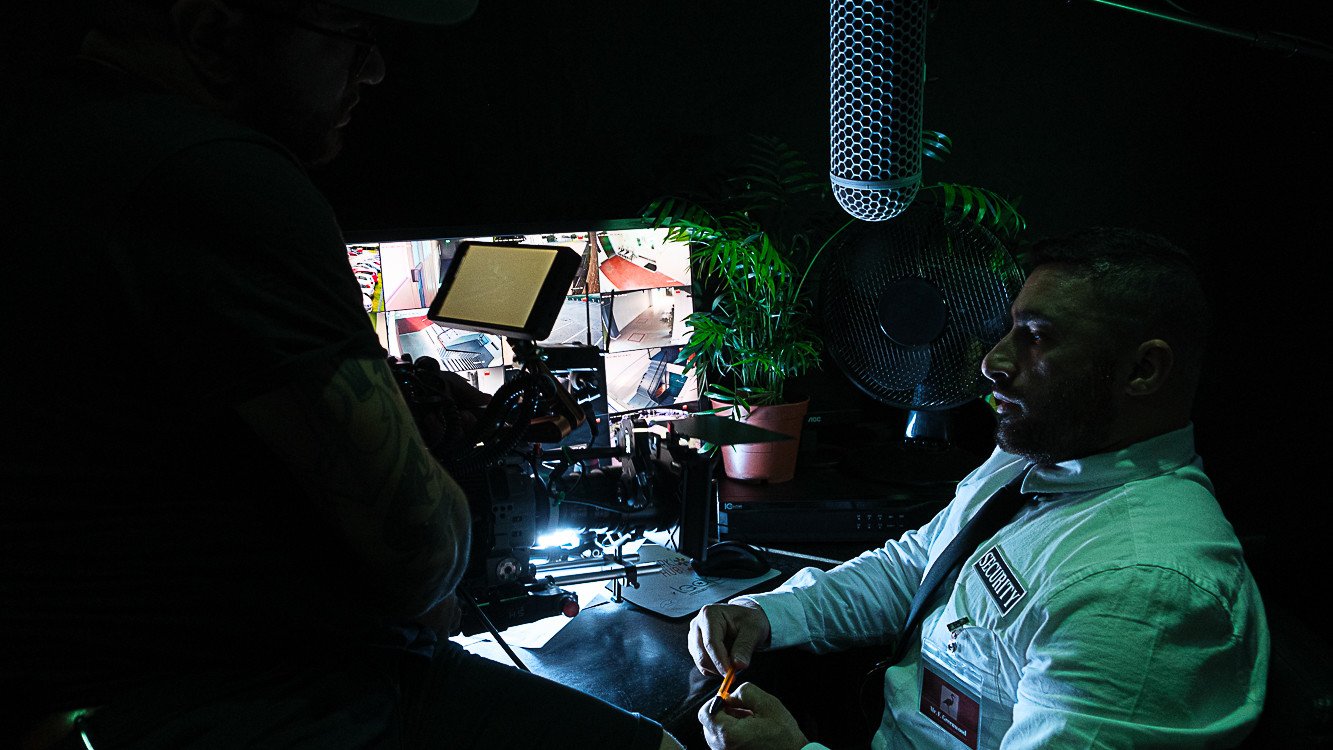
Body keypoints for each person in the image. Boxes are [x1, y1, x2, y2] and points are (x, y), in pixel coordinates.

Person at [0, 1, 682, 748]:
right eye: (352, 36)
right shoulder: (214, 172)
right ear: (212, 31)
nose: (376, 70)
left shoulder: (51, 132)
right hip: (253, 699)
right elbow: (420, 553)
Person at [688, 228, 1269, 749]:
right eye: (1011, 328)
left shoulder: (1138, 591)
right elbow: (919, 565)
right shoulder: (1036, 457)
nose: (993, 362)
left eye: (1037, 336)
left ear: (1143, 370)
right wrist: (768, 614)